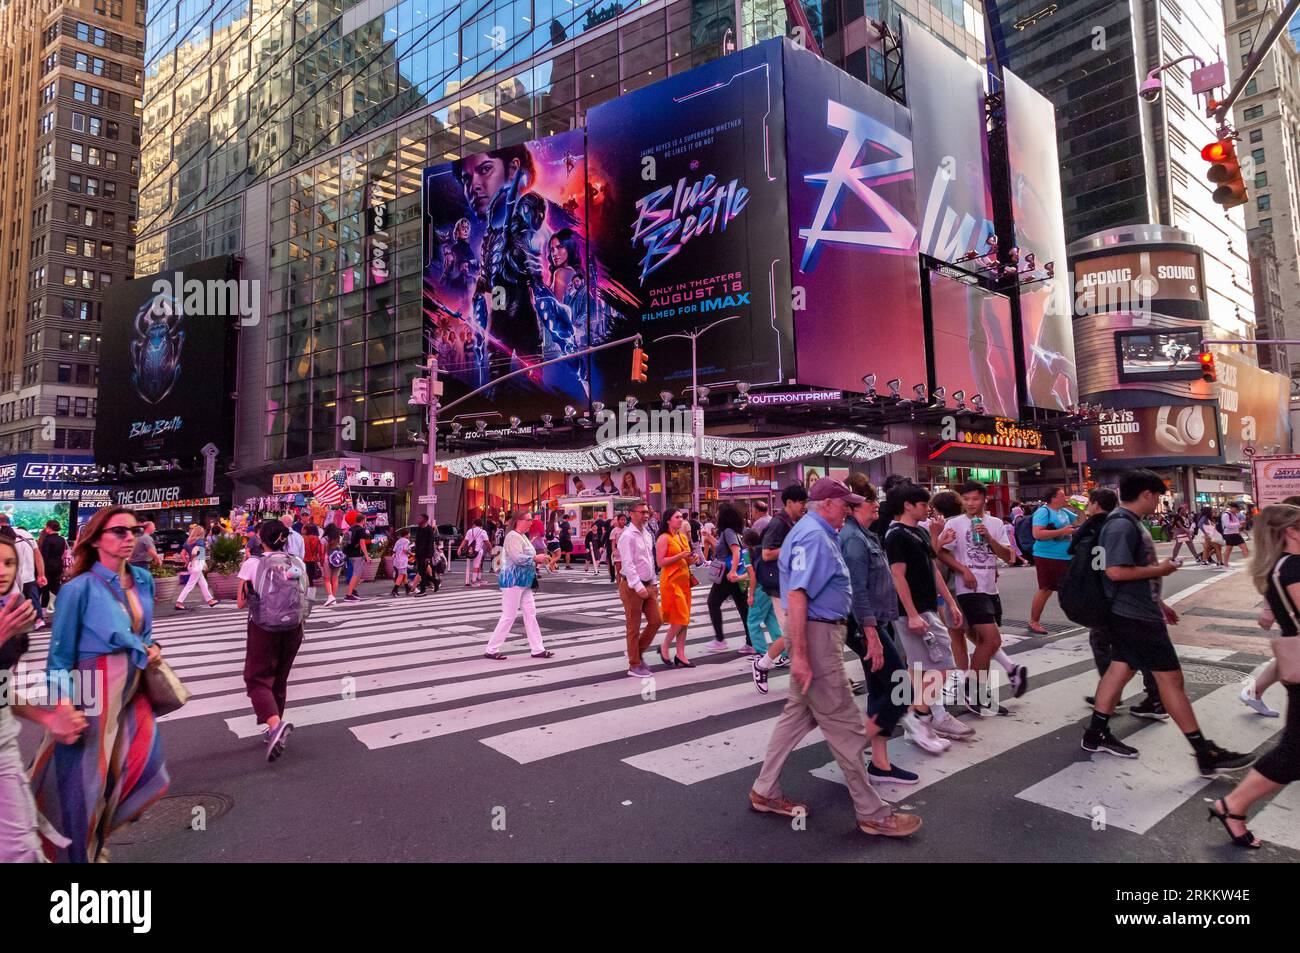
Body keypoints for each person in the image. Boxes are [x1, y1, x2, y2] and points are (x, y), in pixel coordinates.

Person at [748, 478, 922, 838]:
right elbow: (797, 594)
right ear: (827, 503)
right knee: (844, 726)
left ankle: (764, 790)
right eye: (845, 504)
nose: (848, 510)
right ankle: (873, 812)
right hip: (817, 634)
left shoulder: (815, 531)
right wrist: (801, 654)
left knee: (795, 718)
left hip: (816, 632)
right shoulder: (814, 535)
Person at [1082, 469, 1254, 775]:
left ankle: (1095, 734)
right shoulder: (1122, 525)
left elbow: (1126, 573)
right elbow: (1115, 572)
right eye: (1158, 495)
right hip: (1134, 617)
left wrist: (1158, 601)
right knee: (1170, 681)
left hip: (1134, 612)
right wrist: (1160, 571)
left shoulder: (1128, 522)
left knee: (1118, 671)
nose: (1159, 500)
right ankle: (1204, 752)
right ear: (1147, 494)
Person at [29, 506, 169, 862]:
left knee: (144, 768)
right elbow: (59, 658)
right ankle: (81, 854)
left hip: (133, 688)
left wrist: (151, 649)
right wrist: (63, 704)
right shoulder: (78, 588)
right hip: (90, 688)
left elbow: (146, 632)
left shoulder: (143, 579)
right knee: (83, 789)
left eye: (134, 531)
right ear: (96, 540)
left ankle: (94, 837)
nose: (129, 538)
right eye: (119, 532)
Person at [1208, 504, 1300, 848]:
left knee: (1295, 750)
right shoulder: (1292, 568)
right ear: (1291, 531)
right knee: (1294, 752)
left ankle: (1233, 807)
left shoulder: (1280, 567)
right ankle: (1232, 806)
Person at [1, 536, 81, 862]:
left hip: (3, 749)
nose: (3, 571)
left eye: (8, 563)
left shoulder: (9, 610)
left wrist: (48, 717)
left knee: (22, 850)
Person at [838, 475, 920, 783]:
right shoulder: (853, 539)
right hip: (864, 624)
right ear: (855, 505)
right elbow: (856, 590)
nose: (877, 505)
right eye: (871, 500)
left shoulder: (865, 534)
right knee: (902, 688)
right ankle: (854, 747)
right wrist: (871, 633)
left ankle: (880, 763)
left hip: (873, 621)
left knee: (881, 689)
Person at [885, 484, 972, 748]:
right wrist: (911, 613)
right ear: (908, 505)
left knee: (920, 668)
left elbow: (932, 569)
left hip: (926, 608)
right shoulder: (896, 535)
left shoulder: (920, 531)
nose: (927, 509)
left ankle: (924, 720)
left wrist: (950, 602)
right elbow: (897, 576)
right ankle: (918, 716)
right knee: (943, 666)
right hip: (914, 612)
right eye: (923, 504)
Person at [937, 481, 1028, 715]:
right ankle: (972, 687)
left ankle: (978, 693)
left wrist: (988, 537)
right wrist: (963, 569)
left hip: (990, 589)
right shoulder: (954, 523)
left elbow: (1008, 557)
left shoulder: (996, 523)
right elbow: (941, 553)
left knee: (986, 643)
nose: (970, 503)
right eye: (966, 499)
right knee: (991, 640)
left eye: (974, 499)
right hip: (968, 590)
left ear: (984, 500)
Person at [1073, 488, 1164, 718]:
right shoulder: (1122, 524)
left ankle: (1113, 695)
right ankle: (1145, 697)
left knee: (1111, 645)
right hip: (1128, 599)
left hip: (1112, 600)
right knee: (1132, 649)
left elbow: (1097, 565)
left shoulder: (1101, 527)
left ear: (1094, 504)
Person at [237, 519, 308, 762]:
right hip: (294, 627)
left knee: (256, 678)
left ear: (261, 538)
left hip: (264, 628)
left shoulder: (252, 564)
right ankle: (272, 729)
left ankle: (275, 725)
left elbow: (240, 601)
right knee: (280, 677)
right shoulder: (297, 562)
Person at [751, 484, 809, 684]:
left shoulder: (795, 521)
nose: (804, 506)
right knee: (793, 635)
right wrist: (794, 547)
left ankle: (764, 664)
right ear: (789, 503)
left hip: (792, 584)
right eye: (802, 502)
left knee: (796, 633)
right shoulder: (778, 523)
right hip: (779, 587)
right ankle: (764, 664)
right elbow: (767, 554)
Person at [484, 513, 555, 661]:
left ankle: (537, 649)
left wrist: (537, 560)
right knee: (509, 615)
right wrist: (535, 558)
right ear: (519, 521)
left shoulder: (522, 536)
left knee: (530, 613)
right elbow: (517, 558)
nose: (531, 522)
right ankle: (491, 649)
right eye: (529, 520)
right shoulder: (513, 536)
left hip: (524, 581)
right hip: (513, 581)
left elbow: (525, 557)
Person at [617, 501, 661, 678]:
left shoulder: (647, 534)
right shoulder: (627, 536)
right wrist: (637, 585)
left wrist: (654, 582)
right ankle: (634, 663)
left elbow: (649, 560)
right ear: (631, 513)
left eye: (647, 512)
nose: (646, 515)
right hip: (631, 586)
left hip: (648, 583)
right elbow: (628, 564)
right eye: (642, 512)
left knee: (657, 620)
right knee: (633, 626)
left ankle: (636, 652)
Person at [1027, 487, 1077, 634]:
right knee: (1046, 588)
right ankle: (1034, 621)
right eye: (1062, 495)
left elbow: (1079, 520)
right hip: (1048, 555)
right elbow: (1037, 533)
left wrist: (1079, 507)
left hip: (1065, 555)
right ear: (1053, 498)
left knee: (1066, 587)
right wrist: (1062, 531)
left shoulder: (1062, 511)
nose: (1065, 497)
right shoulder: (1044, 511)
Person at [705, 504, 752, 654]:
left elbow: (735, 551)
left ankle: (720, 639)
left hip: (727, 575)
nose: (716, 516)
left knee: (713, 602)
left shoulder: (728, 532)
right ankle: (751, 642)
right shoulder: (739, 531)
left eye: (718, 513)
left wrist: (732, 572)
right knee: (743, 608)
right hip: (737, 574)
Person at [655, 508, 698, 667]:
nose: (680, 520)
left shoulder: (682, 537)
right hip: (671, 583)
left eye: (681, 517)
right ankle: (664, 646)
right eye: (677, 517)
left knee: (684, 619)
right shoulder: (664, 538)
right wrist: (680, 556)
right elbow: (660, 562)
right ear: (668, 520)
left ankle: (681, 654)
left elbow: (685, 561)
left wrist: (691, 559)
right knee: (681, 618)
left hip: (684, 581)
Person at [743, 529, 782, 679]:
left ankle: (761, 651)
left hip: (759, 590)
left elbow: (752, 576)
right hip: (769, 588)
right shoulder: (761, 550)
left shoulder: (747, 554)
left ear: (745, 542)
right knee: (770, 620)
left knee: (752, 622)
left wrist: (751, 594)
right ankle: (784, 651)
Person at [0, 516, 48, 631]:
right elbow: (37, 555)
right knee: (33, 599)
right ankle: (38, 621)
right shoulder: (26, 534)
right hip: (29, 576)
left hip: (12, 579)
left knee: (12, 604)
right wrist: (41, 574)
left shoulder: (4, 537)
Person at [175, 524, 220, 611]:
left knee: (203, 584)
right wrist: (201, 563)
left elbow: (182, 554)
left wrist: (188, 562)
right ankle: (179, 602)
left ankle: (210, 600)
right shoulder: (200, 541)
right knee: (190, 585)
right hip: (197, 564)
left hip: (191, 565)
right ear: (201, 533)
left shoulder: (188, 541)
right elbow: (198, 554)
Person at [37, 520, 68, 615]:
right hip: (58, 566)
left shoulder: (47, 540)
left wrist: (40, 570)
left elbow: (44, 556)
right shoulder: (62, 539)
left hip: (48, 567)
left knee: (45, 589)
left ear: (49, 528)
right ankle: (66, 603)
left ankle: (43, 610)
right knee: (56, 587)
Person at [343, 516, 373, 602]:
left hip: (349, 553)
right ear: (363, 520)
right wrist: (367, 556)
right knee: (356, 574)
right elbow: (362, 544)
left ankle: (353, 590)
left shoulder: (350, 529)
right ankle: (349, 594)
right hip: (357, 554)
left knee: (358, 573)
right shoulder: (361, 530)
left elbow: (345, 541)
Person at [459, 519, 489, 588]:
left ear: (474, 524)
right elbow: (487, 542)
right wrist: (490, 549)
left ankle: (478, 579)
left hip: (470, 551)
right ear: (481, 525)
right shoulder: (483, 531)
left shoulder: (470, 531)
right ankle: (474, 581)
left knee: (477, 565)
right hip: (478, 550)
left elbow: (465, 540)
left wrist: (460, 548)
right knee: (477, 565)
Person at [413, 514, 438, 595]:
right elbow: (417, 542)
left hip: (426, 555)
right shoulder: (419, 529)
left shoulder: (429, 530)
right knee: (421, 572)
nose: (418, 519)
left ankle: (423, 590)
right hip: (419, 554)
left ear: (425, 520)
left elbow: (430, 544)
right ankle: (435, 581)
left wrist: (428, 556)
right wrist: (416, 554)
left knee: (422, 572)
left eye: (420, 518)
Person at [322, 519, 344, 607]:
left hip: (328, 558)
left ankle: (330, 596)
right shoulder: (340, 538)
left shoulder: (325, 538)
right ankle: (333, 597)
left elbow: (322, 550)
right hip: (337, 559)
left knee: (327, 579)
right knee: (335, 578)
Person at [1221, 501, 1249, 566]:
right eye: (1237, 509)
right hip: (1229, 534)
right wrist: (1239, 524)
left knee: (1244, 548)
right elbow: (1228, 525)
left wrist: (1239, 527)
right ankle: (1225, 563)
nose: (1237, 511)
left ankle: (1248, 563)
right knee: (1229, 549)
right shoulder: (1226, 515)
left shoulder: (1234, 514)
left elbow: (1235, 524)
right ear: (1232, 508)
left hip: (1235, 533)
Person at [389, 527, 413, 596]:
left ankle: (407, 588)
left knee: (404, 575)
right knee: (401, 575)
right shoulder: (406, 541)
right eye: (409, 534)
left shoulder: (398, 541)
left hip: (397, 560)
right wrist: (411, 554)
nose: (409, 535)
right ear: (406, 534)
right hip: (402, 560)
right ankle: (395, 590)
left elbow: (394, 550)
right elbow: (405, 550)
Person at [302, 523, 324, 594]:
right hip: (312, 559)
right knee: (311, 575)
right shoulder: (316, 538)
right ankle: (310, 592)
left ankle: (304, 588)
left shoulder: (303, 538)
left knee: (304, 574)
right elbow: (318, 550)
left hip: (303, 558)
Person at [607, 512, 627, 584]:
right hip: (617, 552)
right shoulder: (614, 530)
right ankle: (619, 587)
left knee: (626, 571)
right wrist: (613, 551)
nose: (623, 521)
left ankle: (625, 587)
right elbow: (613, 542)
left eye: (625, 520)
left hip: (626, 553)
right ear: (618, 520)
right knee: (618, 570)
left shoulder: (627, 529)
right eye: (622, 519)